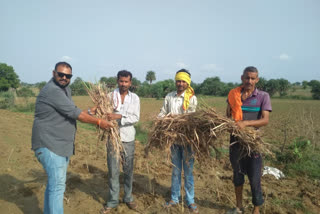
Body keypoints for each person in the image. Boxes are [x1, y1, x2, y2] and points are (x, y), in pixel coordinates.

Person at [32, 62, 113, 214]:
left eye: (68, 76)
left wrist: (90, 111)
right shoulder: (53, 91)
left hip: (59, 146)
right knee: (57, 188)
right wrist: (100, 122)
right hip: (50, 145)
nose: (64, 77)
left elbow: (71, 112)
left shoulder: (64, 90)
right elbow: (77, 115)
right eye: (60, 74)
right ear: (53, 73)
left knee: (53, 186)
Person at [226, 66, 272, 214]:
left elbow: (265, 120)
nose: (249, 81)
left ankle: (256, 209)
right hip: (235, 142)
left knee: (254, 177)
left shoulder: (263, 96)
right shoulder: (233, 94)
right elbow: (228, 116)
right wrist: (227, 125)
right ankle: (239, 207)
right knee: (238, 175)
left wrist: (245, 123)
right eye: (247, 78)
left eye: (253, 78)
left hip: (253, 143)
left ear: (257, 80)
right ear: (242, 78)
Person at [100, 70, 140, 214]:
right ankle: (112, 200)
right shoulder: (110, 96)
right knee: (113, 171)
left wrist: (118, 117)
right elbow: (104, 113)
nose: (123, 84)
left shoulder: (135, 98)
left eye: (126, 81)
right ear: (117, 81)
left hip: (128, 138)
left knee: (128, 170)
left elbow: (135, 117)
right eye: (121, 81)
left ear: (130, 83)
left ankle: (128, 197)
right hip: (112, 138)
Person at [159, 69, 199, 213]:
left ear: (188, 82)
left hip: (187, 140)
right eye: (178, 81)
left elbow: (191, 118)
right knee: (175, 171)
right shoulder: (169, 97)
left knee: (188, 171)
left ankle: (190, 200)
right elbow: (163, 112)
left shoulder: (192, 98)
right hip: (174, 141)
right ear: (175, 81)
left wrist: (175, 120)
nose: (180, 84)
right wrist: (161, 120)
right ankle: (174, 198)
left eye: (183, 81)